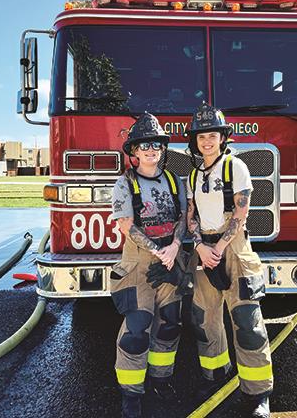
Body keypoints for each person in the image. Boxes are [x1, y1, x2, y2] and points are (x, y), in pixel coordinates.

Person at [186, 103, 272, 418]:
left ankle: (258, 393)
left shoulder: (235, 167)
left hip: (234, 249)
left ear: (223, 138)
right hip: (204, 250)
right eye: (201, 136)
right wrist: (199, 246)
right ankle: (215, 375)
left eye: (212, 135)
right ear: (194, 140)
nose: (206, 141)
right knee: (205, 321)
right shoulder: (194, 174)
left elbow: (241, 212)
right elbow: (191, 216)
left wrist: (219, 247)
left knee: (248, 323)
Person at [110, 112, 195, 418]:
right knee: (137, 329)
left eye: (156, 145)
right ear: (134, 151)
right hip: (139, 264)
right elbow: (126, 226)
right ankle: (131, 395)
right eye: (143, 145)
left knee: (170, 323)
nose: (150, 150)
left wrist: (173, 247)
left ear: (162, 149)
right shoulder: (124, 183)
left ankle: (161, 379)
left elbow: (183, 221)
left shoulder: (175, 180)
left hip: (171, 259)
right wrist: (159, 252)